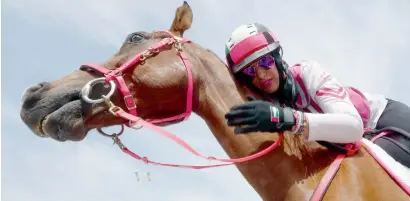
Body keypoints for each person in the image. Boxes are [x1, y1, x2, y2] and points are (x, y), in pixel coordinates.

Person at [223, 23, 410, 168]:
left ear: (278, 58)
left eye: (265, 61)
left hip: (381, 119)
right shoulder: (268, 103)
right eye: (249, 71)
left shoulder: (308, 72)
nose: (261, 74)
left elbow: (353, 128)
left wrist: (286, 119)